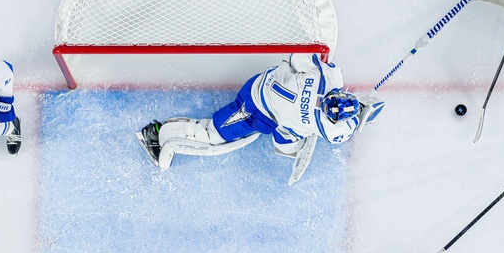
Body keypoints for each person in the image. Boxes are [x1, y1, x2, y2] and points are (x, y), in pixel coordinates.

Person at [136, 53, 383, 184]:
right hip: (252, 110)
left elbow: (297, 57)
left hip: (260, 82)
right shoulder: (319, 127)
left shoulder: (324, 77)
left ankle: (163, 133)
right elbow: (282, 142)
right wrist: (361, 114)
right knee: (212, 134)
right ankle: (156, 135)